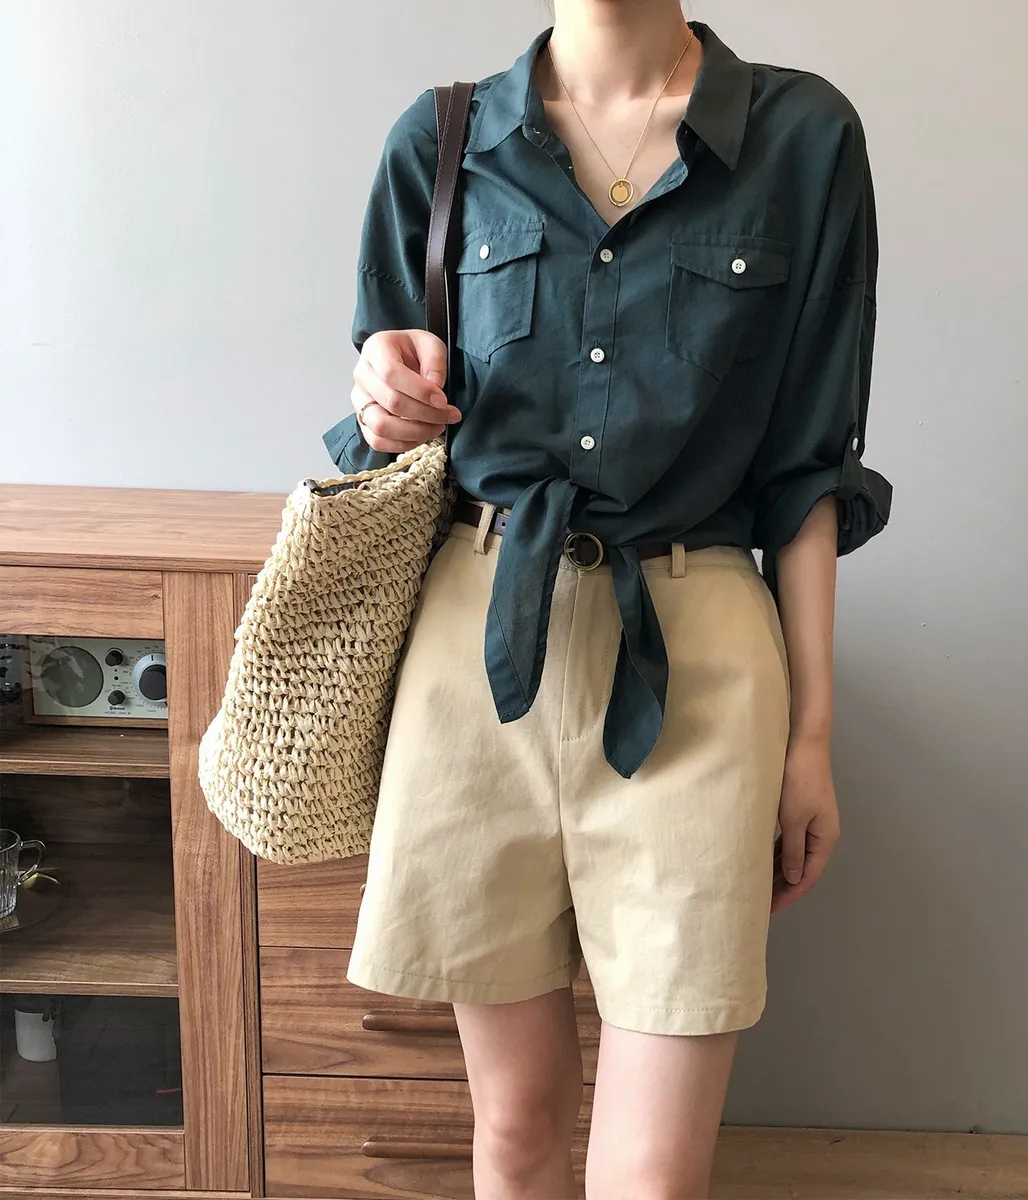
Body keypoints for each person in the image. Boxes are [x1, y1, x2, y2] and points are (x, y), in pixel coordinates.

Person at [321, 1, 891, 1195]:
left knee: (653, 1174)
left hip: (699, 661)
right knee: (514, 1127)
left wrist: (813, 738)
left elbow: (810, 470)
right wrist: (381, 395)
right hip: (476, 657)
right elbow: (391, 403)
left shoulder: (802, 137)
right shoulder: (441, 139)